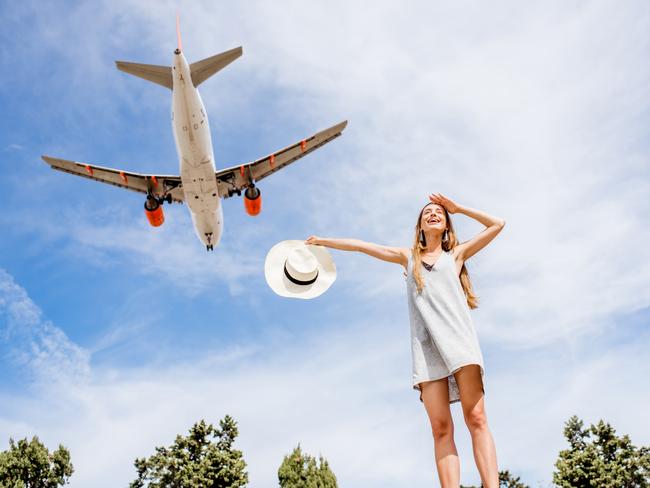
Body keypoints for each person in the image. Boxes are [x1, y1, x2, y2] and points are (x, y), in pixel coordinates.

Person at [306, 193, 505, 488]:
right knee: (440, 428)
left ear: (447, 225)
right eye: (427, 212)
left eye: (439, 212)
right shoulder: (407, 258)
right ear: (420, 226)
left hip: (460, 343)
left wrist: (458, 208)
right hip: (426, 351)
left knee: (476, 418)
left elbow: (497, 224)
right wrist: (324, 241)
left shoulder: (456, 256)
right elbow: (363, 247)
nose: (433, 214)